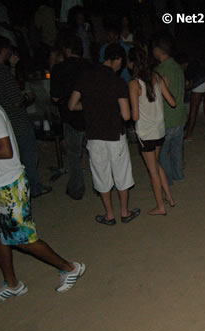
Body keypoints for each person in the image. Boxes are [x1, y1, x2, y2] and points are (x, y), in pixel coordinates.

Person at [0, 101, 85, 301]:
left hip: (9, 185)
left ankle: (70, 268)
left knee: (24, 240)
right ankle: (12, 284)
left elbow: (5, 150)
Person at [68, 43, 140, 225]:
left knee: (101, 175)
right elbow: (126, 115)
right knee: (121, 173)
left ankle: (109, 215)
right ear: (117, 60)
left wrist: (91, 106)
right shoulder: (117, 82)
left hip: (93, 135)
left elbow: (72, 105)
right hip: (114, 134)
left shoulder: (86, 76)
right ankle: (124, 211)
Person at [0, 35, 51, 198]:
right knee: (29, 155)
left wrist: (13, 67)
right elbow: (16, 100)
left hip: (4, 122)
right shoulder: (1, 71)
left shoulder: (4, 71)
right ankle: (34, 187)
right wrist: (29, 97)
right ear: (3, 50)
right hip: (16, 120)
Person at [127, 46, 176, 215]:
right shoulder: (157, 77)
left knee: (152, 170)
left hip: (146, 133)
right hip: (159, 130)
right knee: (156, 164)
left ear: (132, 63)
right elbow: (173, 102)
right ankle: (169, 198)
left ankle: (160, 206)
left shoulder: (134, 83)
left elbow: (134, 116)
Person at [50, 34, 91, 200]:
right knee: (95, 153)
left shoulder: (59, 69)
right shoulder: (90, 66)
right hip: (90, 115)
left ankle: (76, 189)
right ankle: (100, 186)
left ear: (67, 50)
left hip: (71, 117)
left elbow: (55, 97)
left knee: (74, 156)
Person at [152, 33, 186, 185]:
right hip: (179, 116)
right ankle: (178, 174)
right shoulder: (177, 66)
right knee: (177, 149)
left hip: (167, 118)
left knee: (163, 153)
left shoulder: (159, 70)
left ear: (159, 50)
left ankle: (168, 179)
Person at [178, 55, 205, 140]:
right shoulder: (197, 64)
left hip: (200, 83)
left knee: (193, 110)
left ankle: (188, 135)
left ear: (183, 64)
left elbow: (190, 85)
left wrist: (182, 88)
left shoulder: (189, 69)